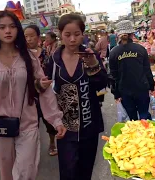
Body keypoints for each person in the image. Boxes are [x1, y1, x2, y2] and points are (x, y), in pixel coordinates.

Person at [0, 10, 66, 180]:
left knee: (26, 172)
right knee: (7, 173)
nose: (8, 31)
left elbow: (45, 89)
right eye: (2, 27)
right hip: (0, 123)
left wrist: (56, 120)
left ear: (18, 29)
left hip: (28, 123)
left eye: (12, 26)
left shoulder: (29, 58)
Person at [39, 14, 107, 179]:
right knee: (68, 171)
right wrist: (39, 85)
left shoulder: (90, 56)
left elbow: (103, 85)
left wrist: (94, 66)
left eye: (77, 34)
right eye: (67, 35)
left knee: (85, 171)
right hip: (65, 128)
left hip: (89, 126)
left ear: (83, 34)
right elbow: (45, 89)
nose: (72, 39)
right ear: (60, 34)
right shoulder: (53, 61)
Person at [24, 25, 58, 156]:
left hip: (44, 92)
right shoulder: (22, 55)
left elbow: (49, 73)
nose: (28, 39)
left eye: (31, 36)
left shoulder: (45, 53)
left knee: (48, 120)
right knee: (31, 123)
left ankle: (52, 142)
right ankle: (33, 147)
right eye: (26, 36)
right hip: (29, 94)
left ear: (38, 38)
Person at [109, 20, 154, 120]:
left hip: (124, 91)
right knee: (144, 115)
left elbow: (112, 75)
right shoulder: (140, 49)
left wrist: (116, 93)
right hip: (141, 88)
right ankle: (147, 134)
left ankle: (135, 134)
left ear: (118, 35)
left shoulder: (113, 52)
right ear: (132, 34)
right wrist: (151, 86)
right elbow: (147, 70)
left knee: (132, 118)